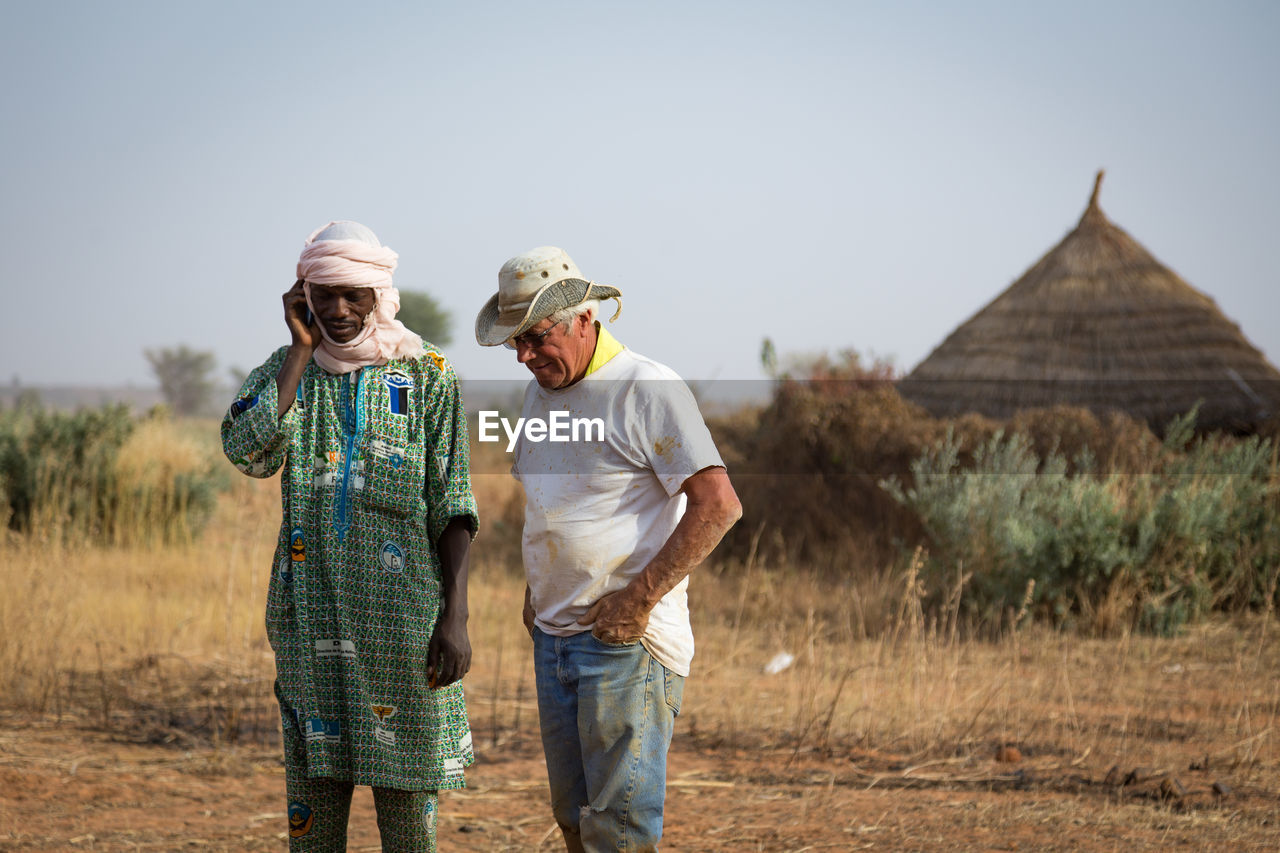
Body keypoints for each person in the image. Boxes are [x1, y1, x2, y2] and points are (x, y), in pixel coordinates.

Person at [475, 246, 742, 851]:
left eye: (537, 338)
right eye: (515, 343)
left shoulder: (647, 388)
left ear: (584, 320)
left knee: (618, 832)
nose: (524, 356)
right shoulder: (540, 395)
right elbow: (554, 506)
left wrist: (638, 600)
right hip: (553, 639)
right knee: (573, 819)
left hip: (623, 644)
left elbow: (718, 504)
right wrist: (534, 591)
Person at [222, 221, 477, 852]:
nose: (337, 310)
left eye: (352, 294)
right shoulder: (285, 372)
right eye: (323, 293)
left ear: (381, 294)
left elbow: (453, 502)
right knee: (315, 810)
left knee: (408, 817)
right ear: (301, 295)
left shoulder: (428, 376)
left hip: (402, 623)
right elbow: (247, 453)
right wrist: (300, 353)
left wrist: (457, 615)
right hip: (311, 618)